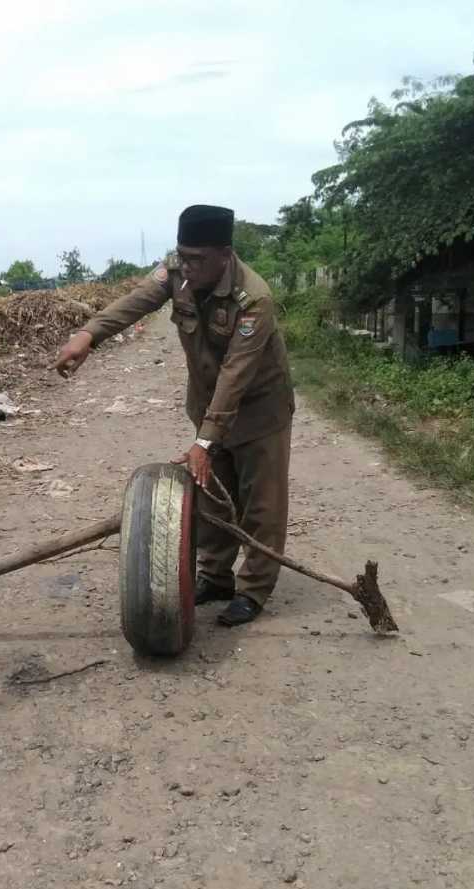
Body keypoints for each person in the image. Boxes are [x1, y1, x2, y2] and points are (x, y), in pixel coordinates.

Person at [55, 205, 294, 626]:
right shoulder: (177, 272)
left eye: (197, 258)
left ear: (225, 254)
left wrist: (204, 442)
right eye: (182, 254)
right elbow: (136, 302)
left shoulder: (253, 298)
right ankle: (216, 577)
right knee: (214, 496)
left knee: (261, 502)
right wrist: (88, 334)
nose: (186, 265)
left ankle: (254, 589)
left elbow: (236, 375)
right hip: (207, 407)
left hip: (259, 412)